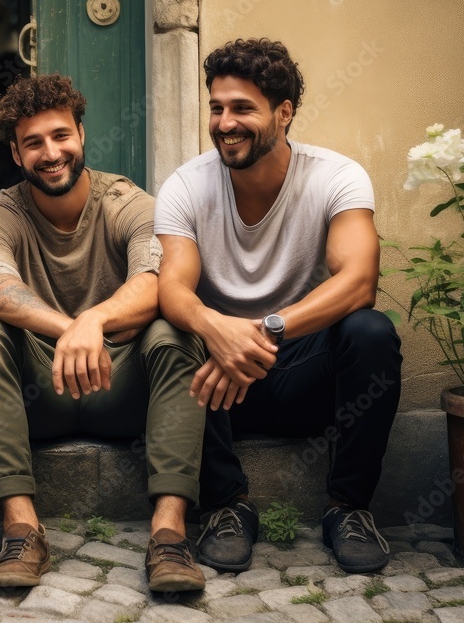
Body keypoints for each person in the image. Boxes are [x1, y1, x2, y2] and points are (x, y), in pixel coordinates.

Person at [155, 38, 402, 574]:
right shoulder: (185, 186)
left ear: (284, 112)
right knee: (173, 329)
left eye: (243, 108)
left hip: (300, 372)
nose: (225, 122)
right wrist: (216, 329)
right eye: (217, 108)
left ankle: (349, 509)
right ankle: (226, 505)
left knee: (370, 331)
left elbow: (359, 282)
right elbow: (172, 286)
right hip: (220, 388)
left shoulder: (336, 176)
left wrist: (266, 330)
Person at [0, 74, 208, 593]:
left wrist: (94, 321)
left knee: (174, 331)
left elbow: (157, 281)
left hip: (119, 387)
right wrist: (70, 329)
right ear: (15, 152)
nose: (50, 153)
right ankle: (22, 529)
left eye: (61, 136)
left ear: (81, 135)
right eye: (33, 143)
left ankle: (169, 534)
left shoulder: (128, 201)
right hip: (39, 392)